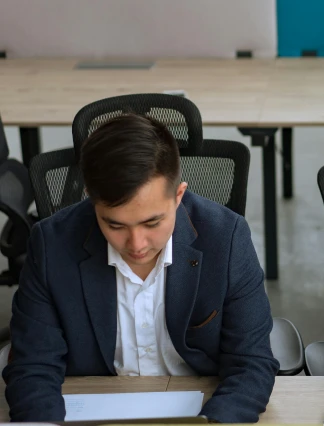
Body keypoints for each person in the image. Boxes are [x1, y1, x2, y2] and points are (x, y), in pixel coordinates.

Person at [3, 114, 279, 423]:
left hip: (200, 410)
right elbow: (33, 369)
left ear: (178, 195)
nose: (136, 244)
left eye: (152, 222)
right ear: (91, 200)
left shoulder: (226, 238)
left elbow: (251, 363)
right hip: (95, 408)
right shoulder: (51, 244)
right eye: (114, 224)